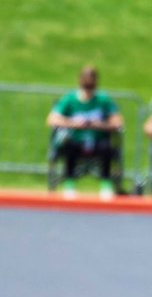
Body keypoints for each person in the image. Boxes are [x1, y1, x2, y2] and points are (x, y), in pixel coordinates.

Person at [47, 66, 124, 200]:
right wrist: (74, 123)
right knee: (69, 147)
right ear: (80, 80)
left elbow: (118, 122)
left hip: (98, 140)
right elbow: (52, 119)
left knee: (107, 148)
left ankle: (106, 184)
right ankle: (69, 183)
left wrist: (99, 125)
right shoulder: (70, 99)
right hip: (76, 139)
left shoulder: (103, 100)